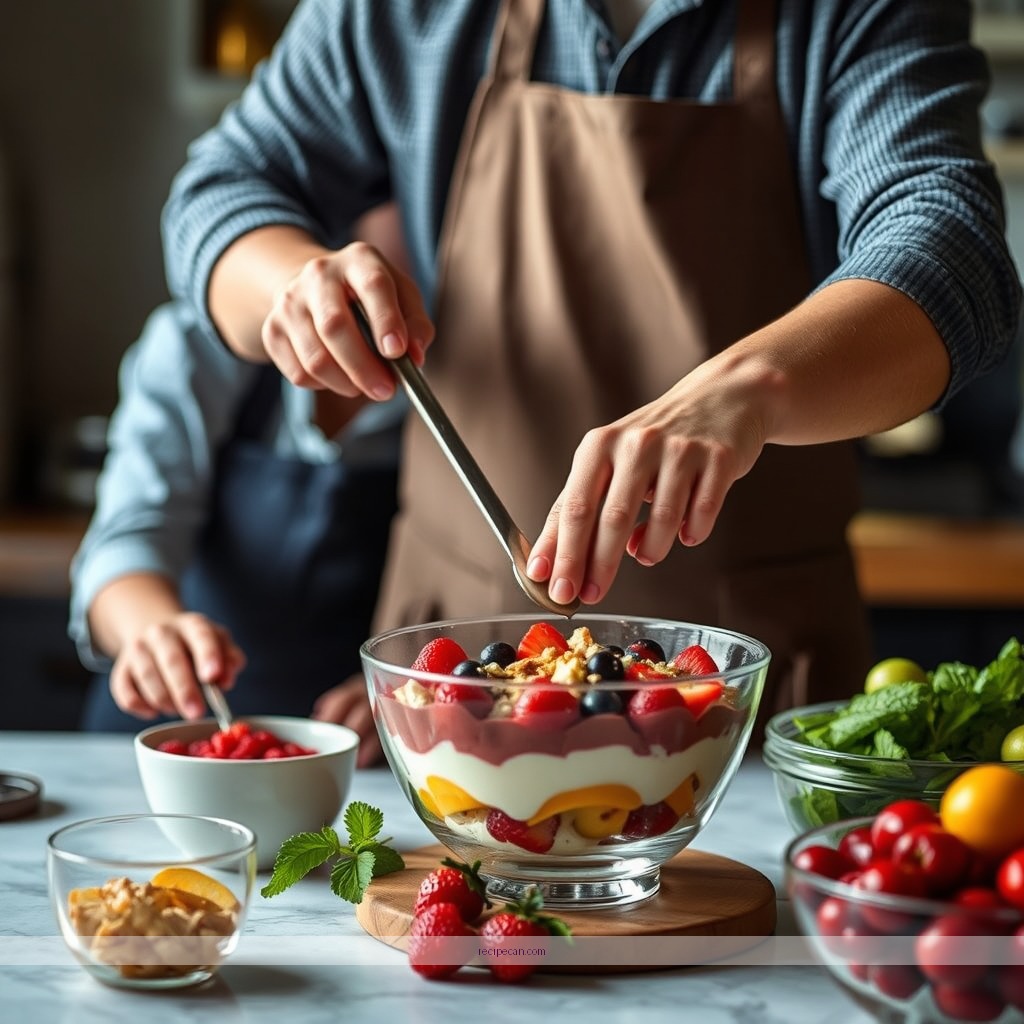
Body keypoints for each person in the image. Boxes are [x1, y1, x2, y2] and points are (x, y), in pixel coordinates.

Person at [161, 0, 1022, 740]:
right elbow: (222, 189)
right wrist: (292, 287)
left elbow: (951, 247)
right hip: (458, 671)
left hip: (750, 678)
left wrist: (752, 387)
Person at [70, 209, 409, 767]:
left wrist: (416, 694)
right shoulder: (200, 341)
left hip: (359, 773)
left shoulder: (498, 370)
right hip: (166, 750)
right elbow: (122, 548)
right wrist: (151, 632)